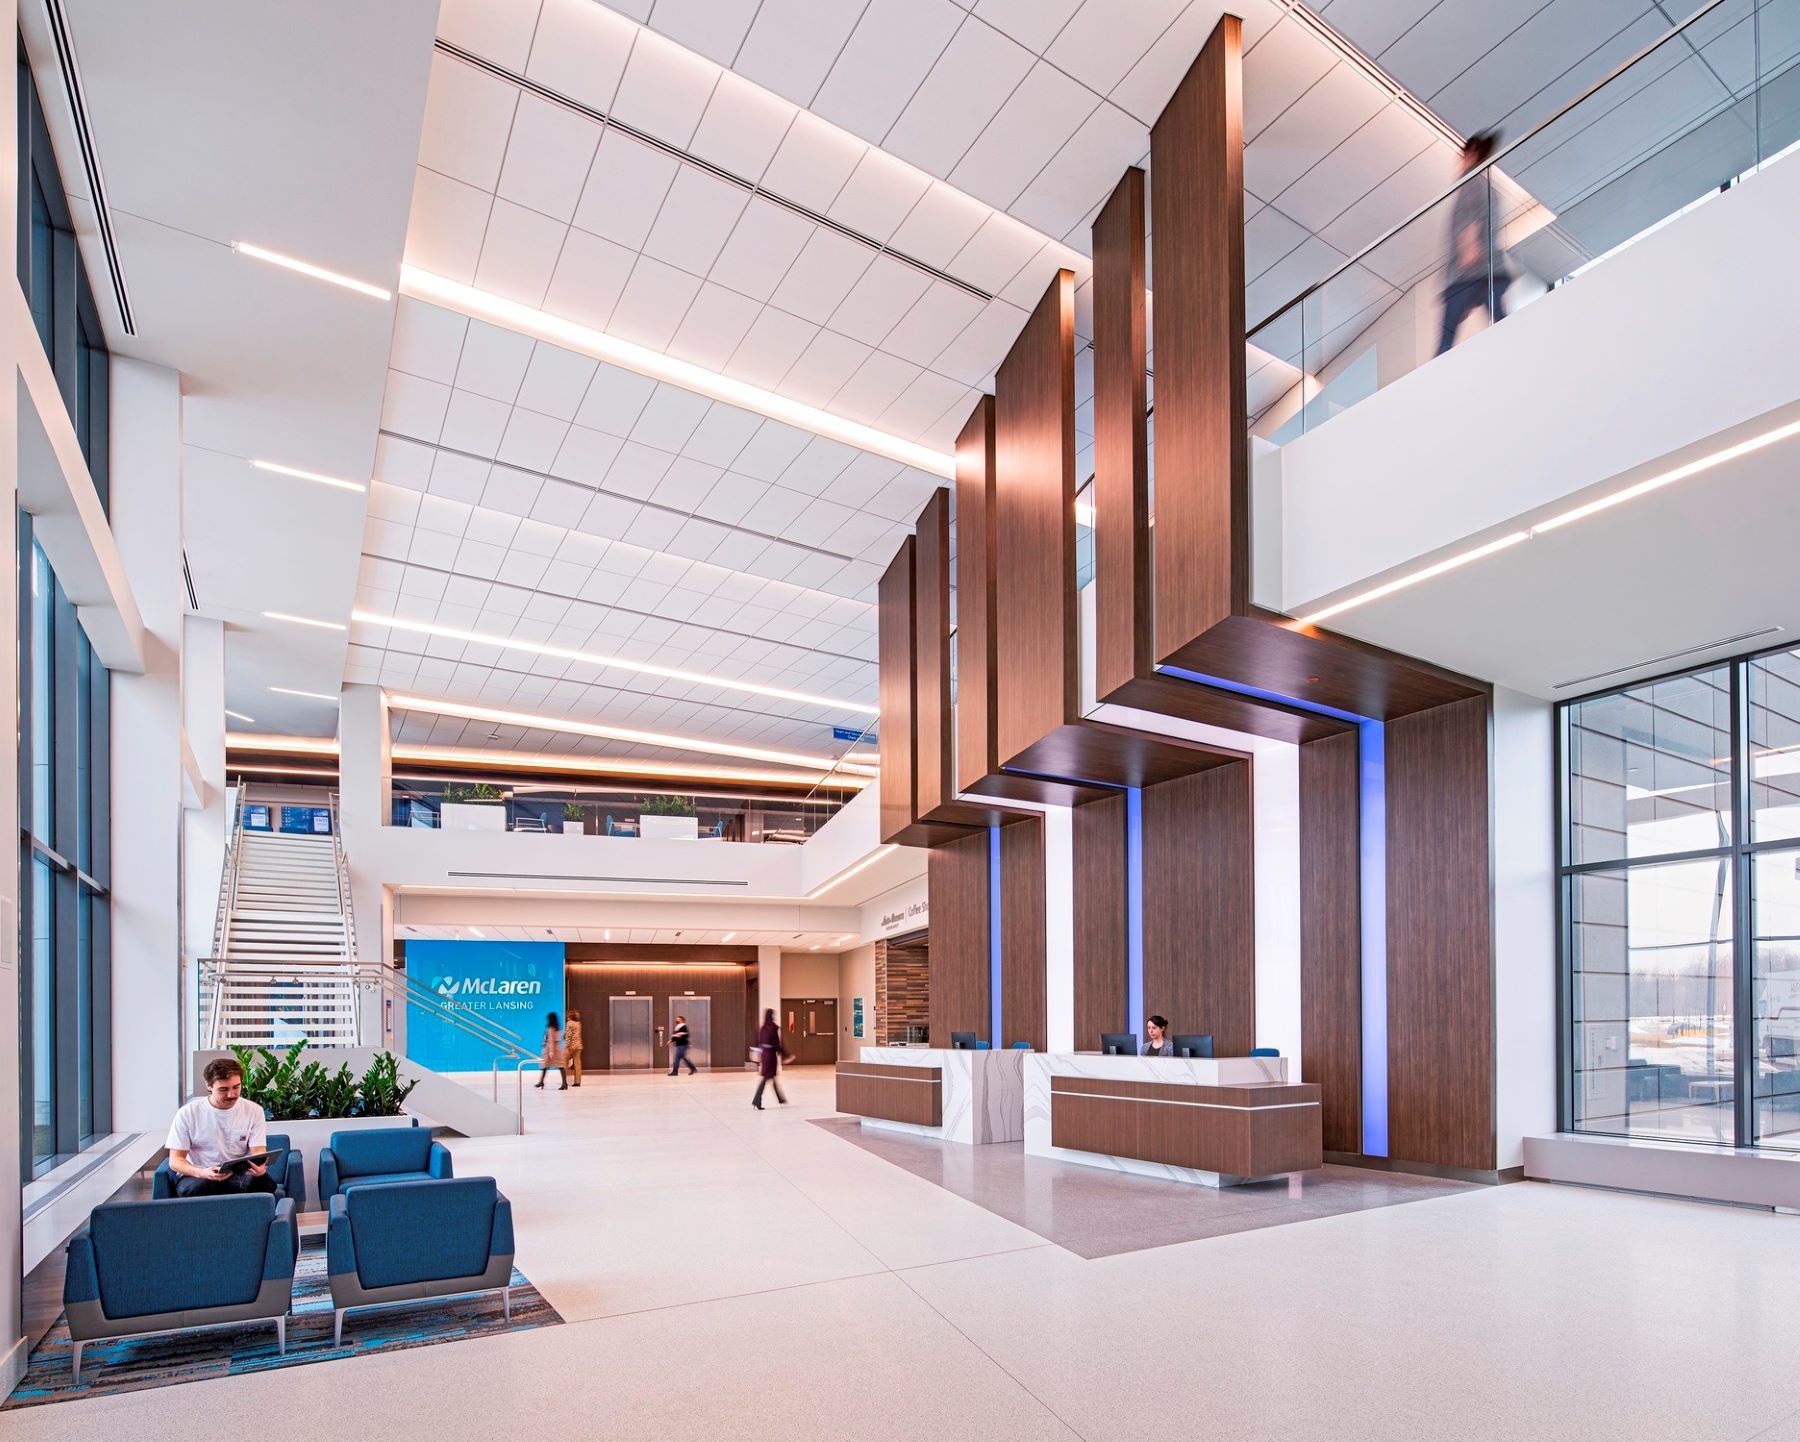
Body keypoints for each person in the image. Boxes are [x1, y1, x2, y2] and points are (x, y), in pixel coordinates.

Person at [165, 1056, 277, 1198]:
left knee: (265, 1184)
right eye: (223, 1089)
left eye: (236, 1087)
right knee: (195, 1189)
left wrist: (260, 1168)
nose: (231, 1094)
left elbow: (258, 1151)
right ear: (209, 1086)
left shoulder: (254, 1110)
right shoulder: (187, 1113)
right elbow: (175, 1161)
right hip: (200, 1175)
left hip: (238, 1174)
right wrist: (202, 1172)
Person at [1437, 130, 1506, 356]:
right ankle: (1517, 352)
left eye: (1462, 155)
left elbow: (1469, 220)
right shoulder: (1489, 187)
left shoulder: (1471, 182)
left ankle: (1432, 382)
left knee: (1446, 339)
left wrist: (1469, 249)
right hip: (1489, 269)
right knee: (1502, 322)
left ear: (1472, 153)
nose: (1459, 162)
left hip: (1467, 273)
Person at [751, 1007, 791, 1110]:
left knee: (771, 1078)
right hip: (771, 1056)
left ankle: (780, 1099)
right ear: (772, 1016)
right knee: (766, 1078)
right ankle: (756, 1101)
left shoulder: (762, 1028)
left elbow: (759, 1042)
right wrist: (786, 1055)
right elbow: (777, 1044)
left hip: (764, 1055)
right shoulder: (773, 1028)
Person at [535, 1010, 567, 1091]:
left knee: (546, 1065)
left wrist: (551, 1051)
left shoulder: (550, 1027)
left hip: (550, 1048)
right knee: (559, 1065)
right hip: (557, 1047)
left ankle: (542, 1082)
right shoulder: (557, 1027)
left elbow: (551, 1040)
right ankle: (564, 1083)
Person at [564, 1009, 583, 1087]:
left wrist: (566, 1045)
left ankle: (564, 1080)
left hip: (571, 1046)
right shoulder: (578, 1023)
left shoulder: (569, 1023)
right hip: (579, 1046)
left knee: (564, 1061)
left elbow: (568, 1036)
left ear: (570, 1016)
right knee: (577, 1064)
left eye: (567, 1015)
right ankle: (577, 1082)